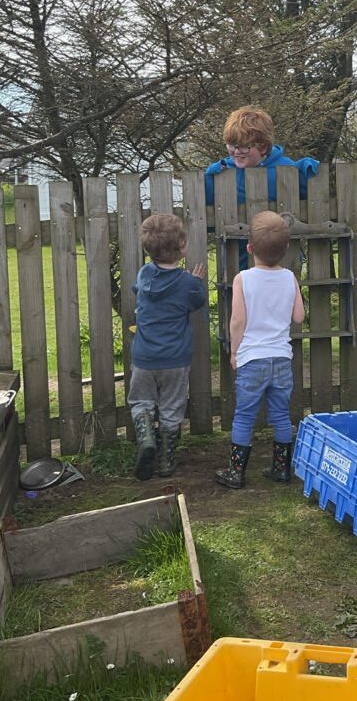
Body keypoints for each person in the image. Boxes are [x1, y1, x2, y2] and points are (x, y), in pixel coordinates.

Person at [215, 211, 305, 489]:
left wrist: (234, 352)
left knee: (244, 416)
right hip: (281, 359)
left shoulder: (243, 278)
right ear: (286, 248)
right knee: (281, 416)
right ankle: (281, 469)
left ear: (249, 248)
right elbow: (299, 317)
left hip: (252, 359)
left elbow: (238, 321)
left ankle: (236, 473)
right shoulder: (289, 277)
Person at [128, 213, 207, 481]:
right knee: (172, 406)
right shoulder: (188, 283)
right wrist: (196, 281)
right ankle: (165, 460)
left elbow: (137, 290)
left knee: (141, 401)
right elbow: (197, 301)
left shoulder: (144, 274)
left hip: (144, 357)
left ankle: (146, 438)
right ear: (182, 246)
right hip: (175, 359)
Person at [204, 105, 319, 267]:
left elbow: (310, 205)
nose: (236, 151)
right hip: (237, 259)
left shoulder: (285, 169)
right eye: (231, 145)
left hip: (281, 260)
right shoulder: (221, 171)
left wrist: (306, 168)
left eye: (244, 147)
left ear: (263, 147)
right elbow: (206, 212)